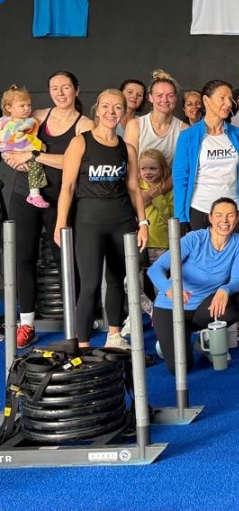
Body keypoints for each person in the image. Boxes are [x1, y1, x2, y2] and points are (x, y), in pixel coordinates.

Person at [1, 70, 92, 349]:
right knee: (23, 259)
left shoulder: (84, 124)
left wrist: (36, 155)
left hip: (60, 199)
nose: (60, 92)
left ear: (76, 90)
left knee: (66, 259)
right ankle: (26, 324)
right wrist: (11, 158)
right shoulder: (37, 116)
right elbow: (9, 140)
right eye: (54, 88)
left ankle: (74, 324)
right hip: (23, 195)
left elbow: (74, 163)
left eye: (66, 87)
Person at [54, 89, 148, 349]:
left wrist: (143, 223)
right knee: (90, 285)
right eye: (106, 107)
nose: (111, 112)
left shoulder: (127, 148)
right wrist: (61, 223)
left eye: (117, 107)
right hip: (89, 223)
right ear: (97, 110)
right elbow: (68, 187)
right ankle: (82, 346)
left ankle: (114, 337)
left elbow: (133, 188)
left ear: (123, 112)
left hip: (122, 221)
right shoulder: (81, 142)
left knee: (118, 280)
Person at [147, 196, 239, 373]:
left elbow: (238, 280)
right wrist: (170, 289)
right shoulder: (194, 239)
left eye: (230, 215)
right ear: (210, 217)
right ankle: (165, 343)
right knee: (181, 368)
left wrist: (225, 289)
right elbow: (155, 269)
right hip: (171, 307)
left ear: (237, 217)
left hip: (201, 308)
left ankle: (199, 340)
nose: (224, 221)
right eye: (218, 215)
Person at [172, 80, 239, 231]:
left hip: (234, 211)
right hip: (200, 210)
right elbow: (180, 179)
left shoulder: (238, 135)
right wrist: (181, 217)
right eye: (222, 98)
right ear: (206, 100)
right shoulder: (188, 136)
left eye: (230, 98)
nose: (228, 103)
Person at [124, 70, 187, 167]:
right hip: (138, 181)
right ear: (150, 97)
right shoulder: (135, 125)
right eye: (159, 95)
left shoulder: (184, 129)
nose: (165, 100)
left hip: (170, 181)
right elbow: (130, 166)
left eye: (170, 96)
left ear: (175, 98)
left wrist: (164, 183)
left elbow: (181, 167)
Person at [1, 86, 49, 208]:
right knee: (36, 163)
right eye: (22, 106)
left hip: (13, 152)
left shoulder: (24, 121)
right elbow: (17, 140)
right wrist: (38, 145)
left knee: (31, 165)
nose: (27, 109)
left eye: (29, 105)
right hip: (11, 151)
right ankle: (34, 193)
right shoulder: (13, 124)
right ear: (9, 107)